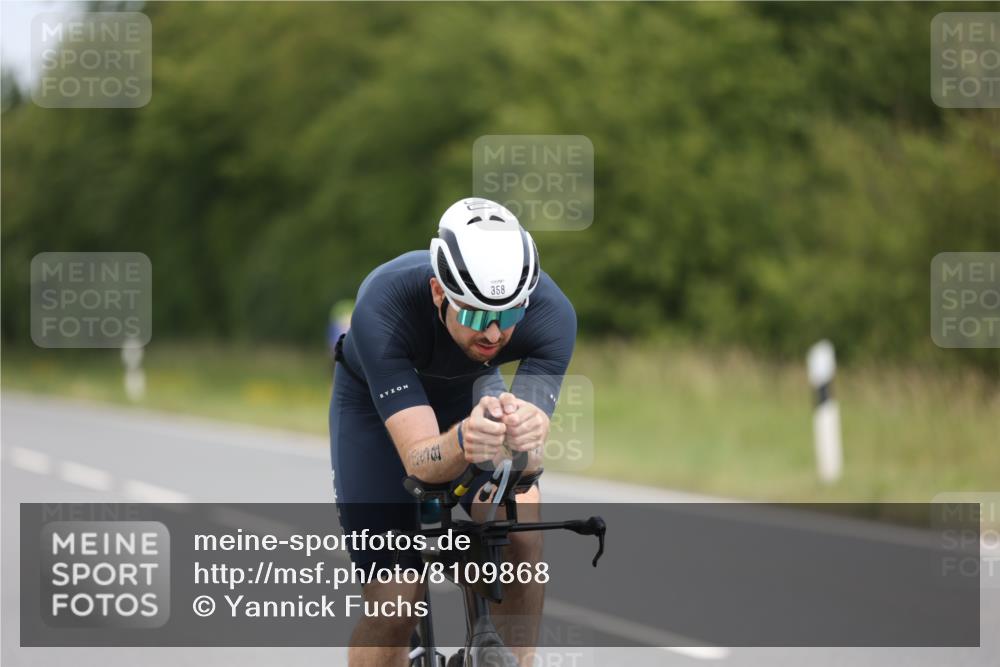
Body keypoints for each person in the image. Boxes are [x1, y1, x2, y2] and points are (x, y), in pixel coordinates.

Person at [329, 197, 576, 667]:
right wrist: (463, 440)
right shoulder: (384, 305)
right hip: (375, 410)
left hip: (470, 394)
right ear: (440, 293)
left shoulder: (551, 315)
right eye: (479, 316)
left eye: (508, 317)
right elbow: (421, 459)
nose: (495, 335)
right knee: (396, 600)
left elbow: (525, 463)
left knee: (522, 532)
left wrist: (529, 446)